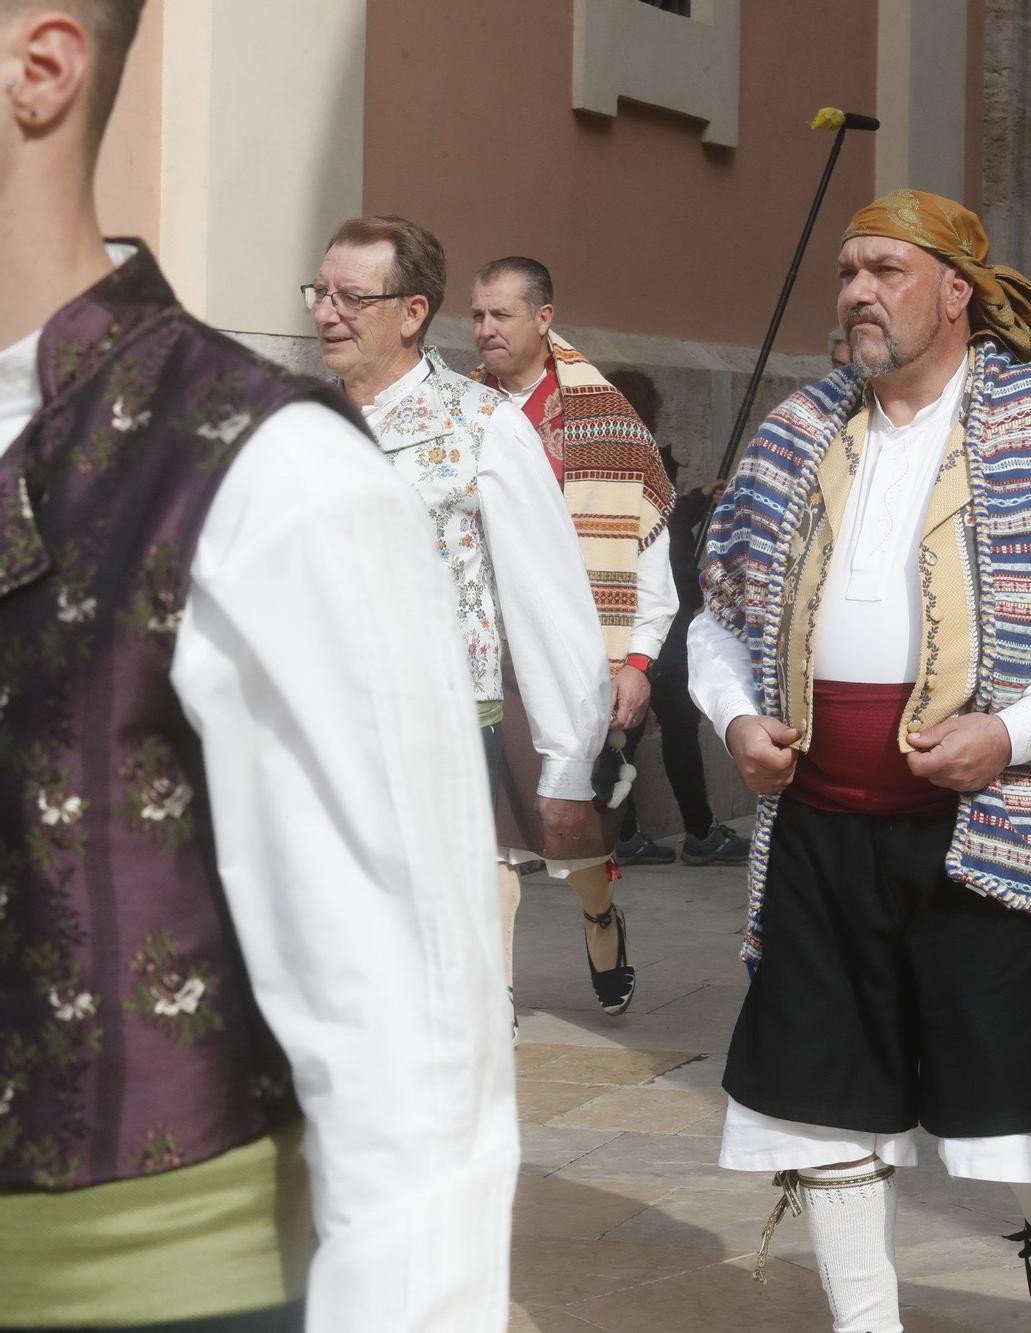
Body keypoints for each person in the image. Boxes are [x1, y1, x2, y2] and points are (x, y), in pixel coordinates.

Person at [0, 5, 517, 1328]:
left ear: (36, 64)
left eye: (359, 294)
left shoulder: (267, 472)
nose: (332, 311)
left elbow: (410, 1060)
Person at [691, 188, 1031, 1333]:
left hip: (989, 831)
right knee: (820, 1095)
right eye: (849, 271)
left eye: (886, 271)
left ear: (956, 292)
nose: (857, 291)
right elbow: (714, 615)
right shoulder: (794, 431)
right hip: (816, 829)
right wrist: (731, 720)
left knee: (1012, 1110)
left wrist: (1011, 733)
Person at [311, 217, 614, 1028]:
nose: (327, 313)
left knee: (447, 985)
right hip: (315, 745)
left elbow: (549, 602)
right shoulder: (295, 423)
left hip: (438, 742)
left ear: (412, 313)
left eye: (351, 297)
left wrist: (564, 764)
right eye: (321, 293)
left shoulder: (480, 425)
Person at [467, 256, 679, 1016]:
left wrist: (638, 660)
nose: (486, 330)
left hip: (584, 655)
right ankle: (493, 1000)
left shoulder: (608, 425)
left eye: (502, 315)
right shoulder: (459, 415)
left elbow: (645, 554)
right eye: (478, 315)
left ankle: (600, 914)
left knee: (574, 835)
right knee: (487, 832)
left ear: (544, 318)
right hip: (487, 658)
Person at [604, 364, 751, 867]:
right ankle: (665, 832)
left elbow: (661, 524)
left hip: (659, 612)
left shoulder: (624, 458)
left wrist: (692, 500)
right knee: (647, 727)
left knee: (648, 728)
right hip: (658, 615)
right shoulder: (630, 458)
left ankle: (665, 832)